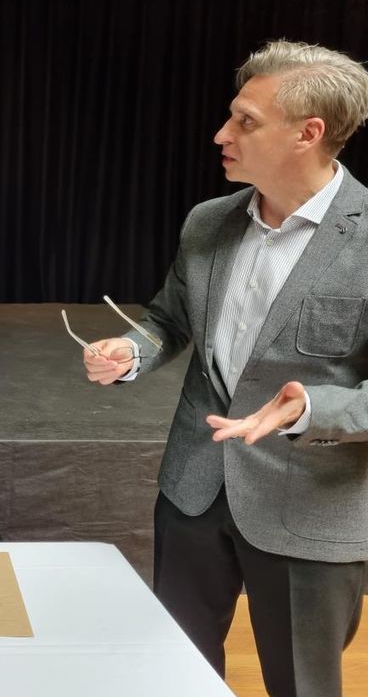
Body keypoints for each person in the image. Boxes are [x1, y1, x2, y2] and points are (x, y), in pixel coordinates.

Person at [81, 40, 368, 696]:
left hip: (309, 507)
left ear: (307, 133)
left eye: (245, 121)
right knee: (176, 674)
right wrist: (131, 351)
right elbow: (169, 319)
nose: (221, 134)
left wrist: (312, 409)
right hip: (193, 491)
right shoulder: (207, 223)